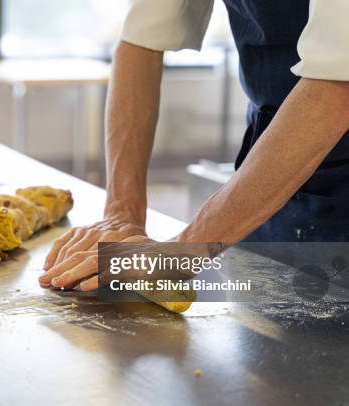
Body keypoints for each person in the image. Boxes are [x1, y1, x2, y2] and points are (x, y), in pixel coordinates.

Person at [39, 0, 349, 291]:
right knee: (267, 313)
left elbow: (336, 89)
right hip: (270, 166)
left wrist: (183, 252)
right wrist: (121, 215)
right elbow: (141, 40)